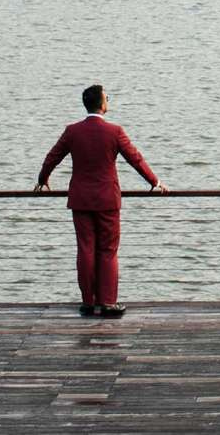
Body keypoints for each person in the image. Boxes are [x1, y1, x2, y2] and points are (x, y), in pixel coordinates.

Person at [35, 83, 166, 318]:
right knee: (108, 250)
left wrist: (43, 179)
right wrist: (154, 182)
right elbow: (135, 159)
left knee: (85, 249)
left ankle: (88, 302)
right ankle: (107, 303)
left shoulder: (72, 131)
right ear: (102, 104)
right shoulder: (114, 131)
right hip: (107, 199)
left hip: (81, 199)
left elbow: (52, 157)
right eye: (107, 98)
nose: (108, 101)